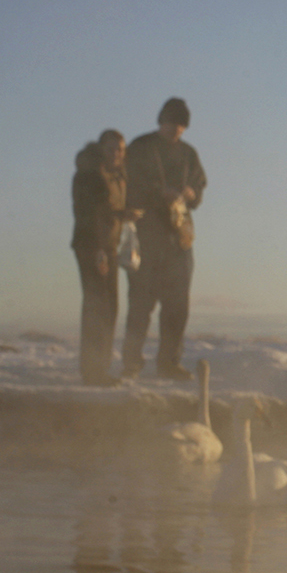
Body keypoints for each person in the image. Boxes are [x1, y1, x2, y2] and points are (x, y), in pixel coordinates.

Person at [122, 97, 206, 381]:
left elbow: (199, 183)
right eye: (171, 123)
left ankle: (169, 363)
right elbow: (128, 183)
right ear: (161, 121)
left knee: (177, 305)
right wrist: (160, 193)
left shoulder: (189, 153)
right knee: (141, 303)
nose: (175, 130)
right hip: (148, 234)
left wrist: (192, 194)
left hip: (179, 239)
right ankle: (132, 362)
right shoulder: (140, 147)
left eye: (181, 126)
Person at [70, 129, 138, 386]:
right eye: (111, 149)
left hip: (107, 246)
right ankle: (93, 371)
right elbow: (89, 214)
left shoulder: (117, 175)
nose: (117, 154)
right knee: (97, 308)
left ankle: (101, 368)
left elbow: (110, 210)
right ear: (101, 150)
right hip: (92, 246)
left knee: (110, 308)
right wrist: (99, 249)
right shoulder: (90, 175)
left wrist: (123, 216)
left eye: (120, 149)